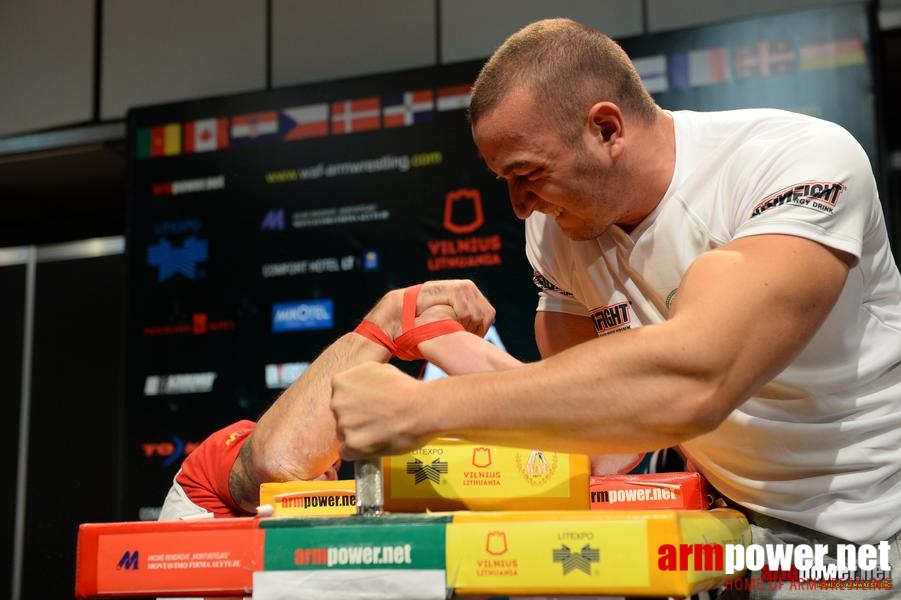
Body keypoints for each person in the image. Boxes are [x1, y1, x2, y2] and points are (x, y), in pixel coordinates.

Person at [330, 18, 901, 597]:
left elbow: (696, 380)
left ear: (606, 128)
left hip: (873, 530)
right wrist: (431, 332)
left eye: (528, 174)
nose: (520, 207)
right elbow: (594, 432)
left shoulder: (796, 162)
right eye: (504, 179)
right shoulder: (556, 234)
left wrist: (421, 409)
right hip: (736, 533)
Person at [158, 279, 516, 520]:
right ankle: (390, 321)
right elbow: (273, 467)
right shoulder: (222, 457)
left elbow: (529, 400)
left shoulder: (374, 484)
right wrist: (391, 320)